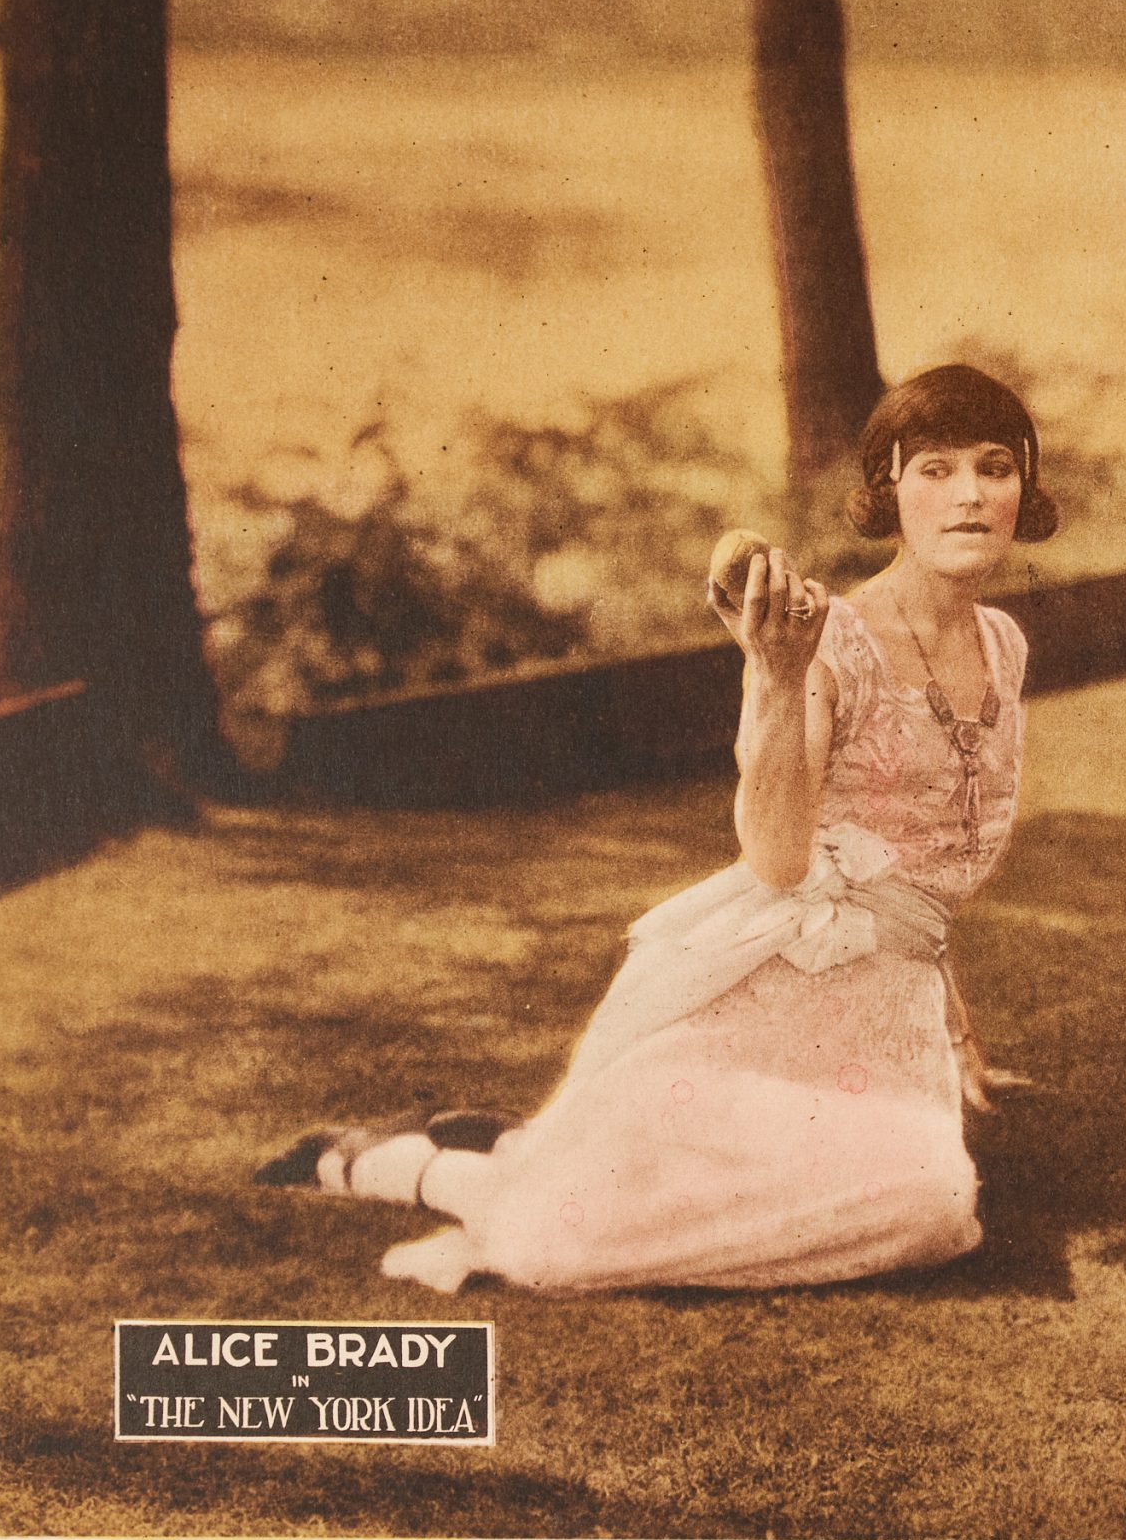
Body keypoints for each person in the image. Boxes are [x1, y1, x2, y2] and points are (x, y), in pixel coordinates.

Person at [257, 365, 1054, 1294]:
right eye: (936, 470)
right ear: (890, 492)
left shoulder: (1003, 643)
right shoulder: (830, 640)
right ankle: (401, 1167)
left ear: (1024, 488)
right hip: (769, 1003)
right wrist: (779, 676)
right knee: (559, 1249)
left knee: (927, 1206)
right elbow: (778, 859)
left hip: (886, 1026)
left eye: (994, 467)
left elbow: (918, 877)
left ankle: (513, 1147)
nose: (969, 495)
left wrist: (951, 1024)